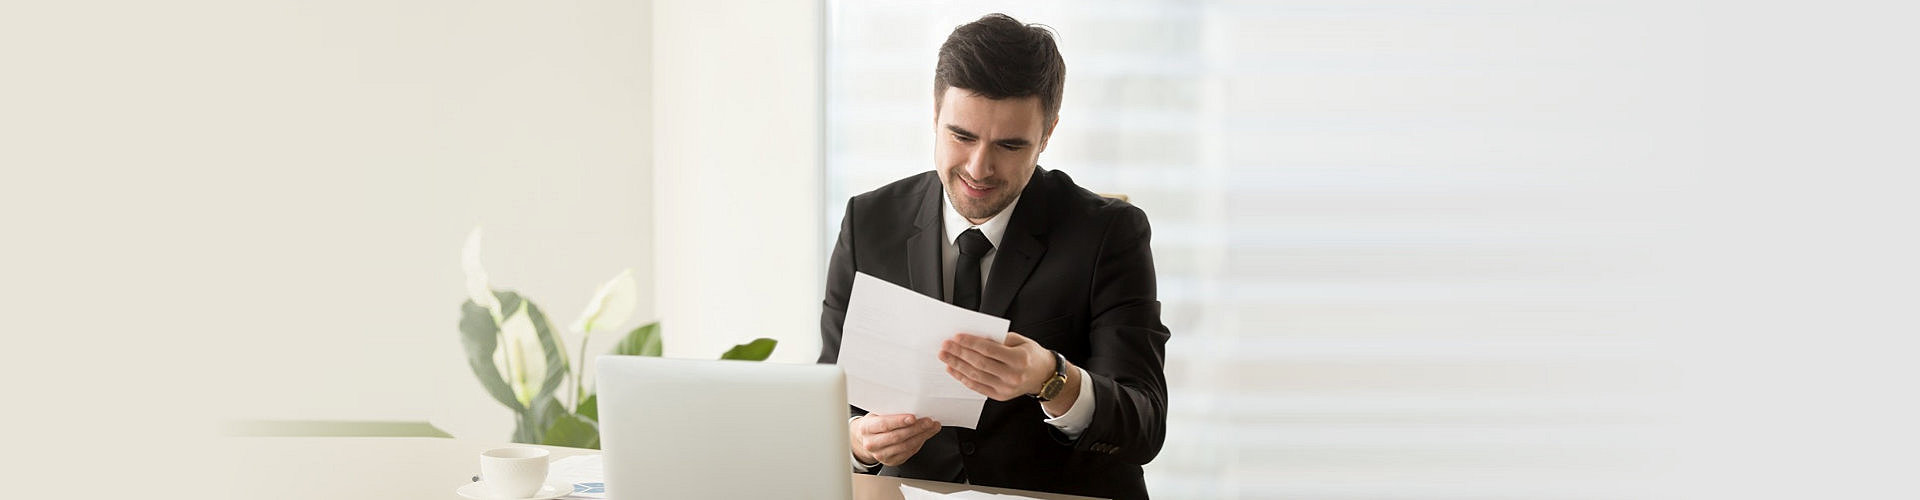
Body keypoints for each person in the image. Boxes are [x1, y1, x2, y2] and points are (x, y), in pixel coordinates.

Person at [816, 13, 1169, 500]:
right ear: (934, 114)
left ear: (1047, 135)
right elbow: (829, 404)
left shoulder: (1110, 234)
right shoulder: (868, 221)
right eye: (961, 136)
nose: (979, 168)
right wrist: (860, 443)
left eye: (1009, 145)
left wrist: (1052, 378)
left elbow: (1144, 424)